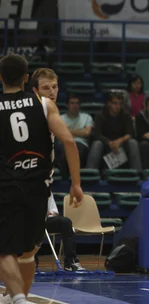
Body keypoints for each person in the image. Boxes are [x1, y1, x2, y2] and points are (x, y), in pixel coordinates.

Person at [0, 54, 84, 304]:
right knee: (27, 252)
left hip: (7, 185)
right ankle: (16, 296)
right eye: (47, 87)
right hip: (38, 186)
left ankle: (16, 296)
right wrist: (76, 183)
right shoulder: (44, 106)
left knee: (9, 249)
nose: (52, 91)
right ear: (27, 80)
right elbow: (70, 141)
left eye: (54, 87)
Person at [45, 193, 86, 271]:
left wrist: (50, 213)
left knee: (65, 222)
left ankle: (71, 263)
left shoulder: (47, 190)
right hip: (30, 221)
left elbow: (53, 211)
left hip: (46, 220)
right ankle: (31, 263)